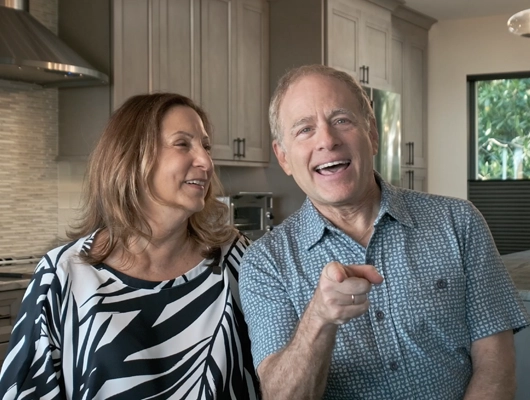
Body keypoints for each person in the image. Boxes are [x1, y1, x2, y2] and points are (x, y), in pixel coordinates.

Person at [239, 64, 530, 400]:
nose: (327, 140)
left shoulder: (458, 221)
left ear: (372, 133)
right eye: (304, 130)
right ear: (284, 157)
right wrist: (319, 319)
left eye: (341, 120)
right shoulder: (265, 262)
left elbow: (497, 368)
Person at [0, 93, 259, 399]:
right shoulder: (62, 275)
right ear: (133, 157)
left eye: (205, 146)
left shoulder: (235, 258)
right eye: (182, 144)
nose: (205, 161)